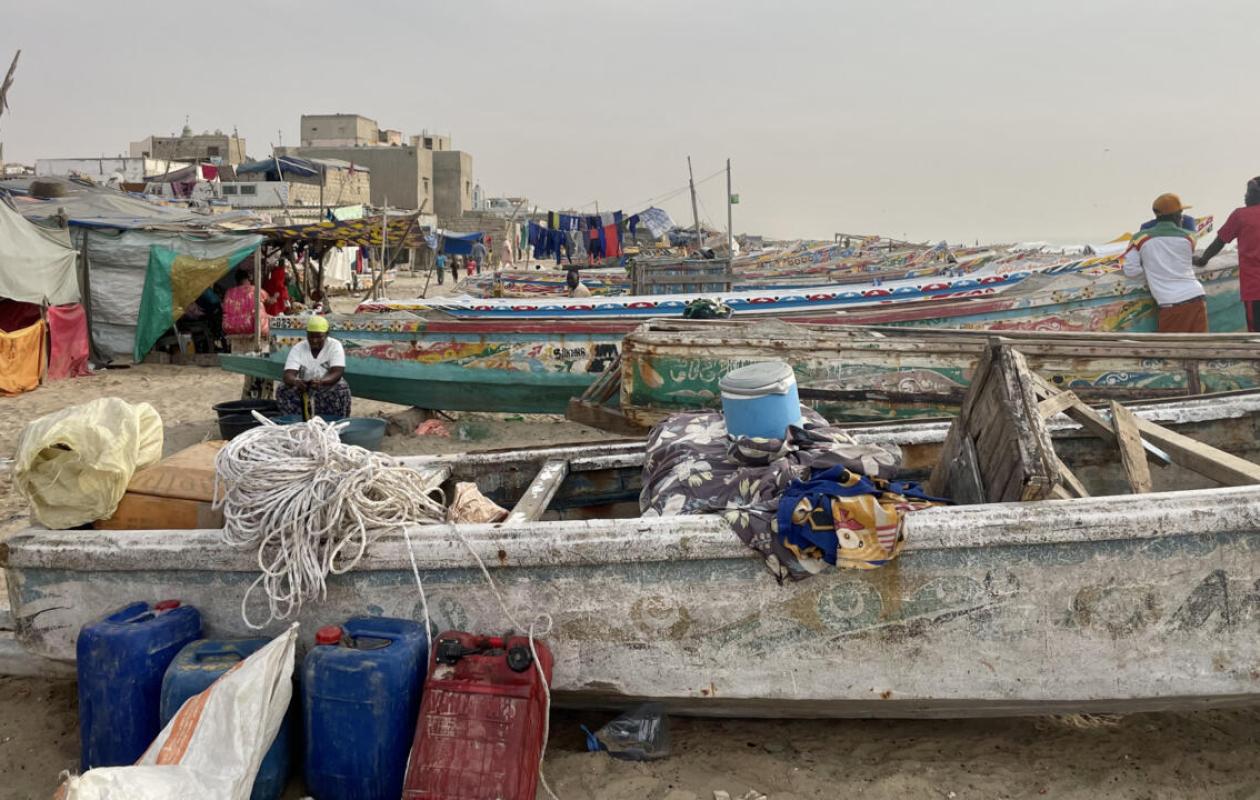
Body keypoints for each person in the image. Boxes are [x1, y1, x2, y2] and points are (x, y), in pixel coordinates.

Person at [1122, 193, 1207, 333]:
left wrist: (1152, 275)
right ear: (1177, 215)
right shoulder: (1190, 238)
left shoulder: (1139, 239)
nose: (1182, 217)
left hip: (1171, 303)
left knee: (1172, 352)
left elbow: (1131, 270)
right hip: (1197, 297)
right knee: (1199, 351)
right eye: (1181, 213)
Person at [1196, 177, 1260, 331]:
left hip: (1255, 288)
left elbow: (1220, 241)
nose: (1245, 196)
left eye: (1250, 192)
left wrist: (1204, 259)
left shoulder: (1241, 215)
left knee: (1256, 335)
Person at [277, 315, 351, 419]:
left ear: (326, 334)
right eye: (311, 336)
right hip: (304, 387)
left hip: (326, 385)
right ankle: (295, 422)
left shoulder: (334, 346)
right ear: (307, 335)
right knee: (283, 388)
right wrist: (296, 381)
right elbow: (288, 374)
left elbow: (337, 372)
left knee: (341, 387)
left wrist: (322, 382)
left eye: (319, 337)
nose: (314, 340)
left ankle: (335, 422)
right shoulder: (298, 348)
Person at [222, 269, 270, 351]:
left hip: (230, 326)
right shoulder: (255, 289)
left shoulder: (229, 292)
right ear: (248, 278)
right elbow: (269, 300)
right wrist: (275, 297)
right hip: (252, 326)